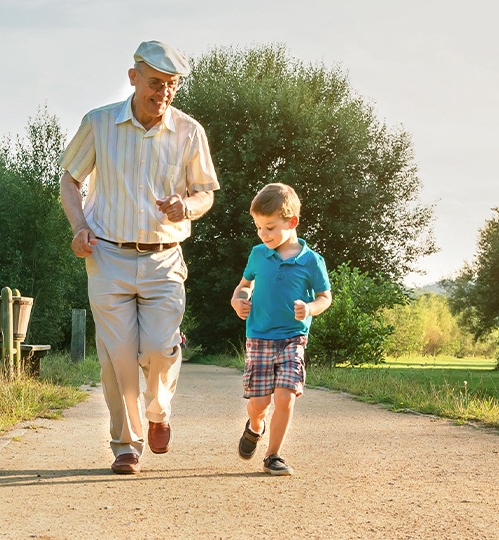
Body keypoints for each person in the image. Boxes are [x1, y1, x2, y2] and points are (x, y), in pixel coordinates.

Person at [58, 41, 220, 474]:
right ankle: (126, 445)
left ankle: (159, 411)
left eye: (171, 86)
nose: (163, 93)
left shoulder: (189, 132)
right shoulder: (99, 123)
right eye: (155, 83)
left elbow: (205, 192)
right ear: (133, 78)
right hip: (107, 254)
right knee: (118, 356)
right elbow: (70, 181)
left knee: (160, 349)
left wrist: (188, 206)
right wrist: (78, 227)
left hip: (164, 258)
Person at [229, 183, 332, 476]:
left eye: (270, 227)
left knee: (285, 396)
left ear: (292, 222)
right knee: (259, 403)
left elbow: (325, 297)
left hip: (293, 338)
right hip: (259, 337)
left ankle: (273, 455)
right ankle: (255, 426)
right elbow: (244, 285)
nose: (264, 234)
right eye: (259, 227)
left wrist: (310, 308)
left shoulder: (312, 261)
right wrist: (239, 301)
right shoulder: (258, 254)